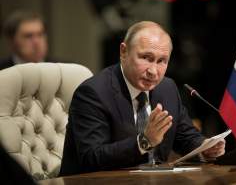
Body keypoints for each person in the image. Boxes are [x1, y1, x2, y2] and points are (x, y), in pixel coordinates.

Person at [60, 21, 225, 176]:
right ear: (123, 52)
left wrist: (205, 147)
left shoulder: (166, 89)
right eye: (146, 58)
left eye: (162, 61)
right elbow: (91, 158)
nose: (153, 71)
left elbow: (186, 136)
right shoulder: (93, 93)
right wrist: (144, 141)